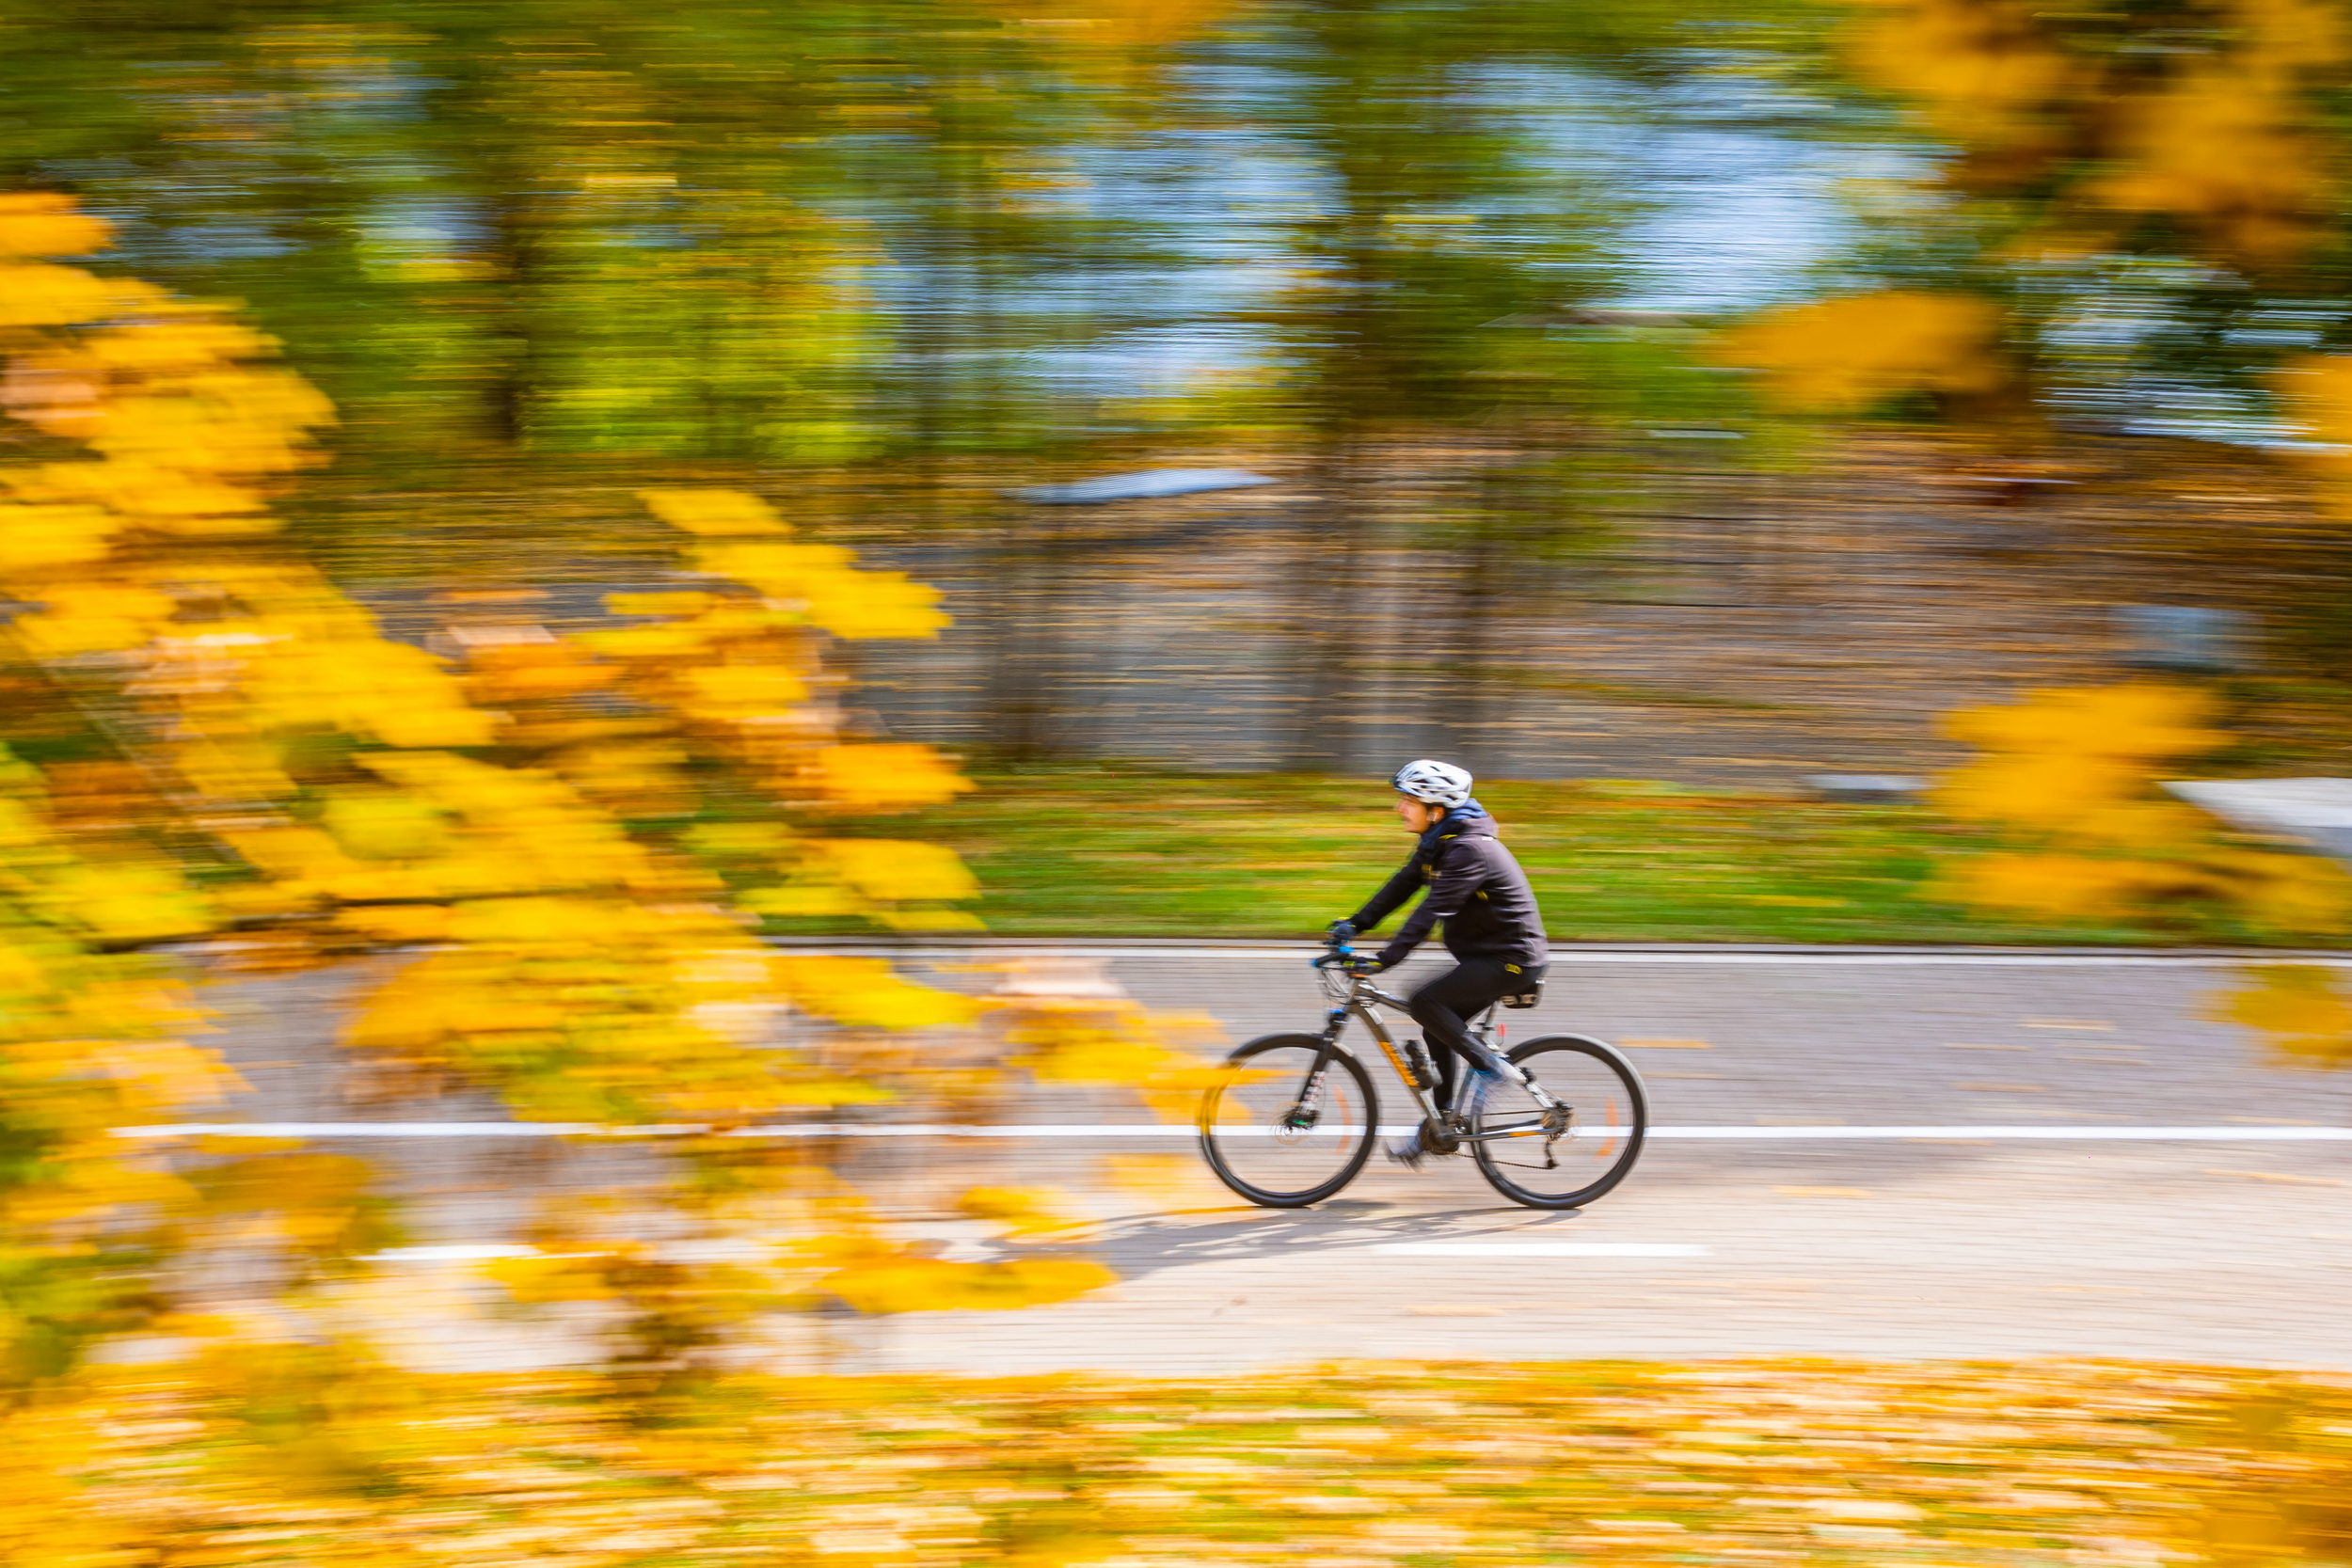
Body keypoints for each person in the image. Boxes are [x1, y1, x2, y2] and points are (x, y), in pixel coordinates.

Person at [1327, 759, 1549, 1167]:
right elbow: (1403, 885)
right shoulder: (1440, 841)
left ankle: (1491, 1070)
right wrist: (1354, 924)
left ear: (1437, 808)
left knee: (1425, 1001)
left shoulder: (1468, 850)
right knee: (1436, 1024)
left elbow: (1431, 911)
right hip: (1488, 956)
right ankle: (1442, 1127)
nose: (1399, 808)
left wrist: (1383, 960)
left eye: (1408, 800)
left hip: (1513, 960)